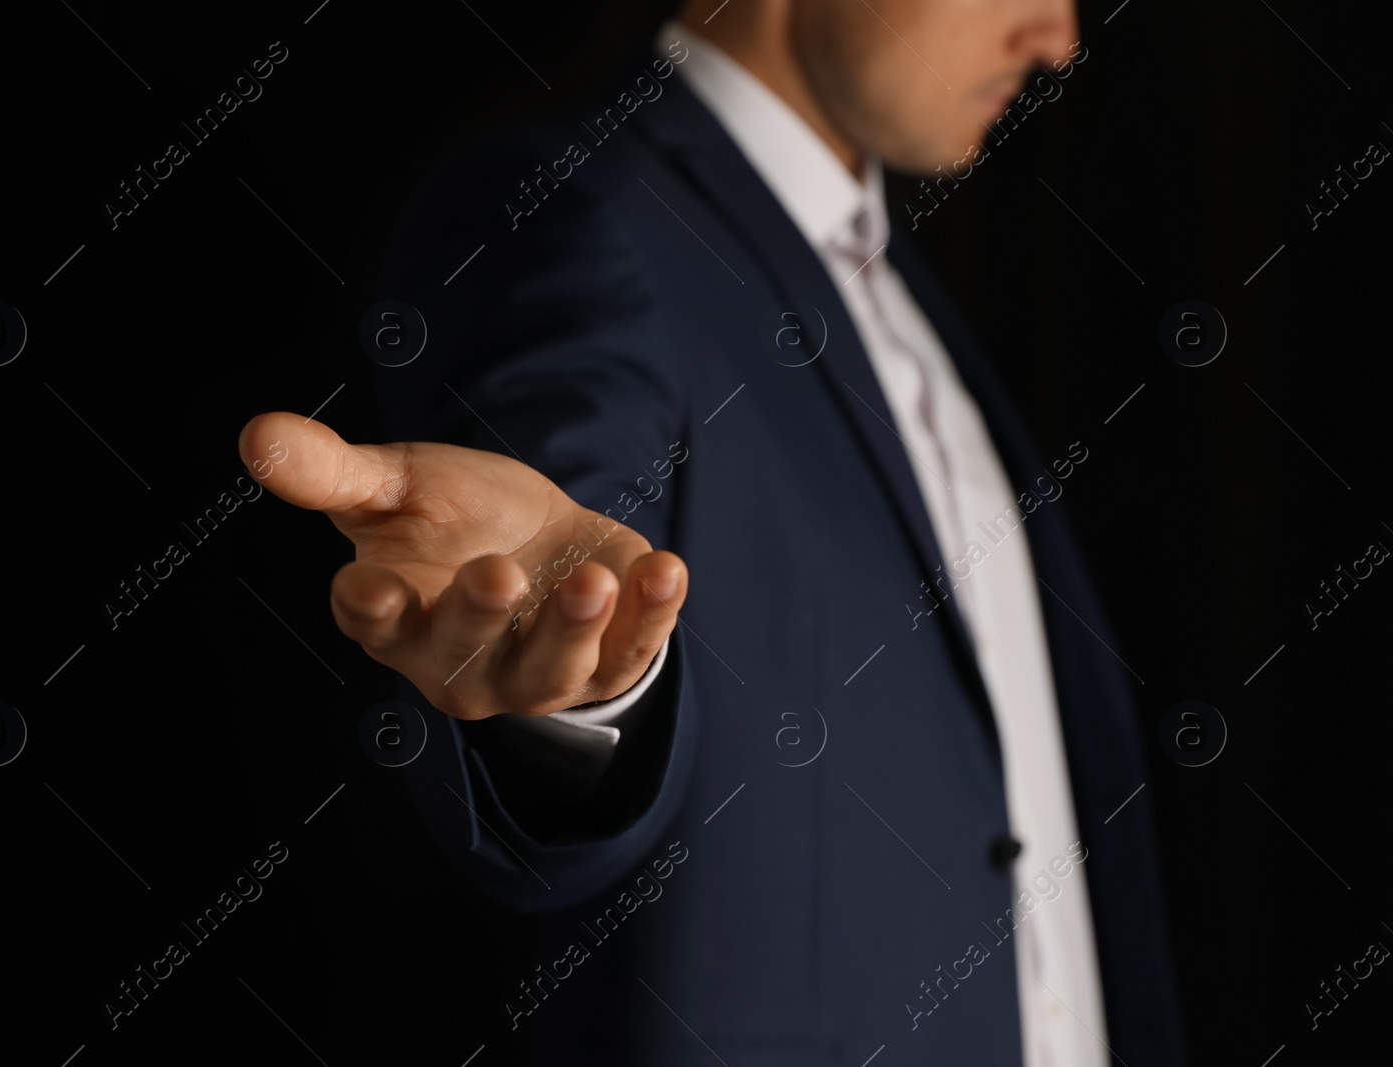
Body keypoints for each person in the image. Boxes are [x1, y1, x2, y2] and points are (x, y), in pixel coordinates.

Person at [238, 0, 1185, 1063]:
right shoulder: (578, 208)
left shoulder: (901, 284)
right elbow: (568, 537)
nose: (1057, 39)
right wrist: (578, 676)